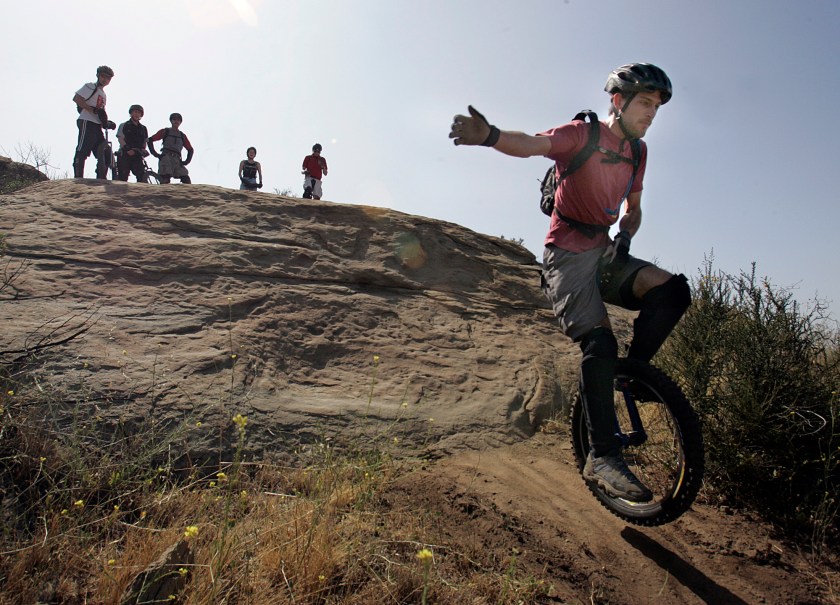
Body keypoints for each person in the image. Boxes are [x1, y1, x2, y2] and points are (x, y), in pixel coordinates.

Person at [449, 63, 691, 502]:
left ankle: (630, 379)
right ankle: (601, 454)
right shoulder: (583, 134)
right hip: (565, 258)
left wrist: (628, 231)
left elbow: (633, 205)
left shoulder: (639, 152)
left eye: (657, 107)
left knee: (673, 291)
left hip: (604, 254)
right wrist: (489, 135)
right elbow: (533, 144)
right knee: (598, 343)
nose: (652, 113)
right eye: (645, 103)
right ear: (618, 101)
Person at [72, 65, 114, 179]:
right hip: (87, 120)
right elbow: (76, 98)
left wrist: (107, 122)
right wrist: (91, 109)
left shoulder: (103, 94)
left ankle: (101, 178)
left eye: (108, 78)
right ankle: (78, 177)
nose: (105, 80)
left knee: (106, 153)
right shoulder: (90, 86)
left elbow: (101, 111)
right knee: (83, 150)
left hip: (96, 125)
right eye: (103, 76)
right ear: (98, 76)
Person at [147, 113, 194, 184]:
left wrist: (186, 161)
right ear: (171, 121)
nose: (176, 121)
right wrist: (156, 154)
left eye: (178, 120)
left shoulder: (182, 135)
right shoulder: (165, 131)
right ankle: (163, 194)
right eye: (174, 119)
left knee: (185, 179)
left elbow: (190, 149)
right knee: (165, 178)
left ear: (180, 122)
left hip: (177, 159)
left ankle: (184, 194)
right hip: (166, 157)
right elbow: (150, 140)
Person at [116, 104, 150, 183]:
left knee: (141, 176)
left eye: (138, 113)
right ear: (131, 113)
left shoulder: (143, 128)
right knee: (123, 177)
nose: (136, 114)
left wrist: (143, 150)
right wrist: (127, 149)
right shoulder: (124, 125)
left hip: (137, 154)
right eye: (135, 112)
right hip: (125, 153)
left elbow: (145, 141)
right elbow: (120, 138)